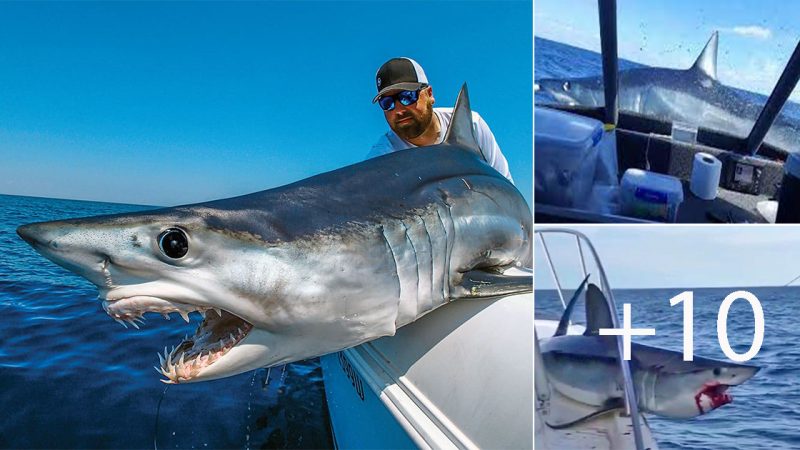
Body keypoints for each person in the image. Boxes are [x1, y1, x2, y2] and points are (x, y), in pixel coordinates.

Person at [367, 57, 514, 183]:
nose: (398, 110)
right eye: (387, 103)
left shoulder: (472, 124)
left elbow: (505, 182)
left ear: (429, 94)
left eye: (407, 97)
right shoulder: (381, 158)